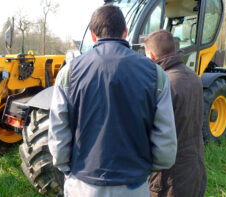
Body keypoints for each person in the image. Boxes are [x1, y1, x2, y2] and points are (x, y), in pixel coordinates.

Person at [48, 5, 177, 197]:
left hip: (83, 184)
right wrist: (149, 168)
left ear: (92, 35)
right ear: (125, 32)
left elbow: (59, 130)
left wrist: (66, 168)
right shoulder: (156, 74)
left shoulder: (69, 73)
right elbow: (165, 138)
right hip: (134, 185)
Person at [144, 30, 207, 197]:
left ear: (151, 55)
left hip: (170, 178)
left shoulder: (162, 84)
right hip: (195, 166)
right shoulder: (193, 76)